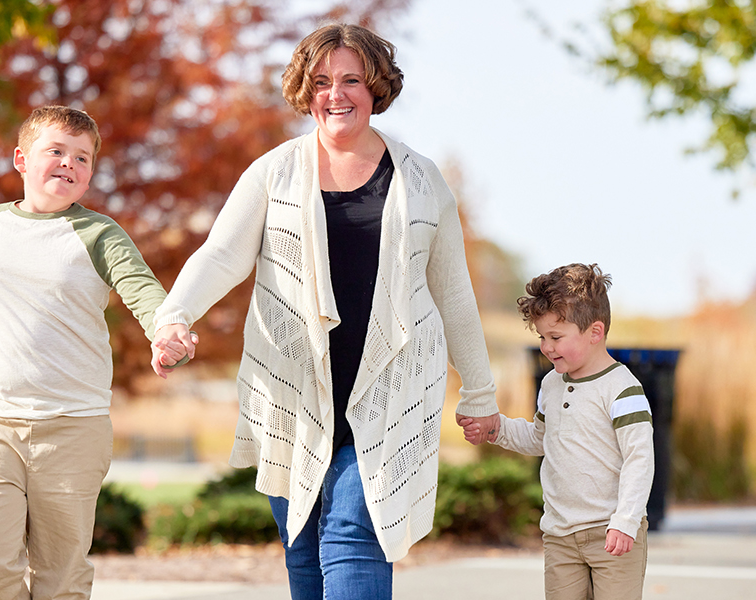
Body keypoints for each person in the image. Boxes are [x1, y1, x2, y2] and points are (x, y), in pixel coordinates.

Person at [150, 23, 499, 600]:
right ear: (304, 91)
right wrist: (173, 317)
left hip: (389, 388)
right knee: (304, 553)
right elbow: (220, 254)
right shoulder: (274, 173)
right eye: (321, 82)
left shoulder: (420, 179)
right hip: (291, 391)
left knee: (353, 534)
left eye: (352, 80)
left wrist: (481, 394)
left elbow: (454, 292)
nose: (336, 94)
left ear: (376, 87)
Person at [0, 106, 188, 600]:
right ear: (22, 159)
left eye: (82, 158)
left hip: (74, 429)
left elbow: (145, 293)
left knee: (60, 577)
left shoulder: (99, 234)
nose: (69, 163)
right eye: (56, 151)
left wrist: (168, 330)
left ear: (89, 175)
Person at [460, 264, 654, 600]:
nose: (547, 347)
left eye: (556, 337)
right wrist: (496, 428)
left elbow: (640, 459)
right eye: (542, 337)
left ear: (595, 332)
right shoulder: (551, 383)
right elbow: (540, 438)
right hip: (560, 535)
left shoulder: (622, 389)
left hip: (613, 532)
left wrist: (626, 519)